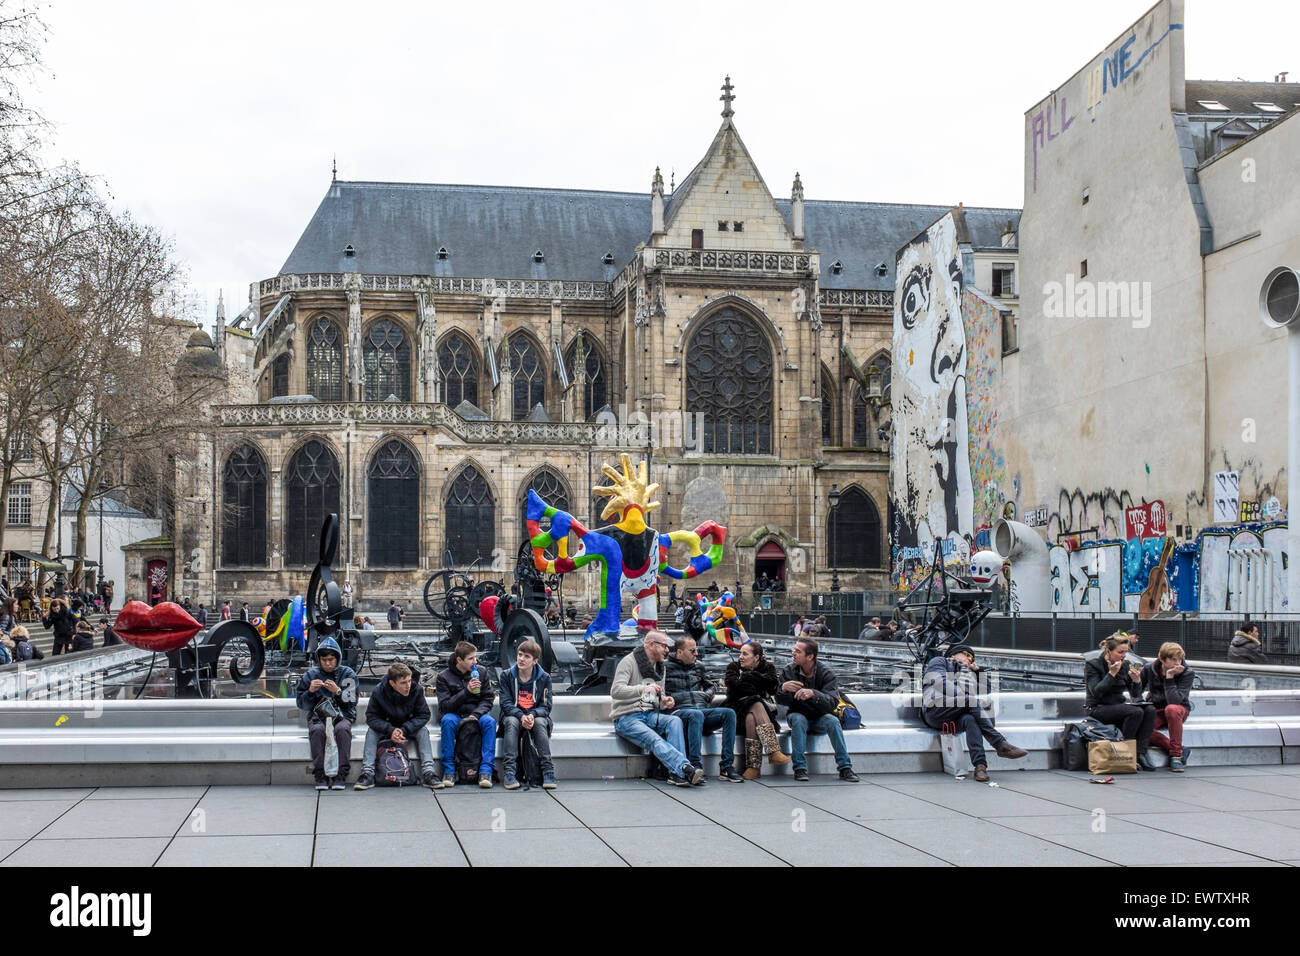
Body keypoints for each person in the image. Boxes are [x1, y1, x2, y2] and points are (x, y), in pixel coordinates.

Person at [921, 643, 1027, 781]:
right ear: (953, 654)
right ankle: (1000, 743)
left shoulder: (967, 675)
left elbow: (986, 689)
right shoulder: (939, 662)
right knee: (970, 701)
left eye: (971, 659)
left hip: (954, 716)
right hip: (934, 710)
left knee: (970, 720)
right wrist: (963, 695)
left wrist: (978, 672)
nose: (969, 660)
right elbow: (939, 682)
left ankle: (980, 767)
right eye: (966, 655)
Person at [610, 630, 704, 786]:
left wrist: (664, 701)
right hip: (626, 717)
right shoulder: (628, 662)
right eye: (664, 646)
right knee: (654, 739)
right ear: (651, 645)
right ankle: (684, 769)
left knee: (674, 721)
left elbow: (656, 698)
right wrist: (643, 689)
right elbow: (616, 691)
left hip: (649, 714)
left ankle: (677, 773)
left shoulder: (660, 667)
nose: (667, 650)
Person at [777, 637, 860, 782]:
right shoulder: (788, 671)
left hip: (819, 717)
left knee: (833, 721)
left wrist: (814, 694)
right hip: (797, 714)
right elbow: (780, 700)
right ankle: (800, 768)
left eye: (798, 651)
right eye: (794, 650)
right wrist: (783, 689)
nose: (793, 653)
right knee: (798, 719)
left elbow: (832, 703)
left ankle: (845, 768)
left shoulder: (826, 673)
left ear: (810, 656)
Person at [665, 635, 743, 782]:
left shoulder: (699, 666)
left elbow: (710, 686)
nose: (696, 654)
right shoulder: (664, 667)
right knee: (696, 715)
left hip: (700, 710)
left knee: (729, 713)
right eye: (692, 651)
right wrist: (674, 698)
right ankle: (695, 766)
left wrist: (706, 696)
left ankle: (726, 766)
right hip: (679, 713)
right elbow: (659, 692)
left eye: (696, 650)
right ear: (679, 652)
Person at [354, 661, 439, 790]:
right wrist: (390, 730)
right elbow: (371, 717)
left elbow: (424, 715)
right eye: (403, 683)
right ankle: (367, 774)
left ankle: (429, 773)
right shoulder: (379, 691)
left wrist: (404, 729)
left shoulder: (417, 690)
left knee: (423, 731)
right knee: (371, 732)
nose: (408, 686)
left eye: (409, 681)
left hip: (408, 727)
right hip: (387, 727)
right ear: (392, 683)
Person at [1085, 632, 1157, 771]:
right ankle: (1126, 752)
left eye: (1126, 652)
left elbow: (1135, 694)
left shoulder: (1125, 665)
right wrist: (1111, 674)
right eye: (1120, 652)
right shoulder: (1093, 665)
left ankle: (1141, 753)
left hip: (1118, 707)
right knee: (1135, 712)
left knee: (1150, 710)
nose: (1124, 655)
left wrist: (1137, 681)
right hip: (1097, 708)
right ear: (1108, 651)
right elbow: (1096, 692)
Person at [295, 636, 358, 789]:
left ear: (337, 659)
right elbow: (301, 704)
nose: (328, 663)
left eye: (331, 659)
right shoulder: (310, 675)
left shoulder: (347, 674)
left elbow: (352, 702)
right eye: (324, 660)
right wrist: (310, 691)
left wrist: (337, 692)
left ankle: (341, 775)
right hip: (319, 716)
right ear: (319, 660)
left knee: (342, 730)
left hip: (342, 715)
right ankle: (320, 775)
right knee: (317, 731)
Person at [497, 639, 557, 790]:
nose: (521, 659)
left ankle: (548, 771)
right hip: (514, 717)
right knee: (511, 721)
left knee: (539, 722)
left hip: (535, 717)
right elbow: (505, 704)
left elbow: (546, 706)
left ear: (535, 661)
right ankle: (510, 772)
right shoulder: (506, 676)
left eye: (526, 656)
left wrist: (531, 715)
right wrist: (521, 716)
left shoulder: (545, 678)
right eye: (520, 654)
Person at [435, 641, 496, 788]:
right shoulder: (443, 677)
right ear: (459, 660)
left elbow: (488, 698)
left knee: (490, 722)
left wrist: (476, 714)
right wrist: (466, 692)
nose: (475, 661)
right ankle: (449, 771)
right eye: (471, 659)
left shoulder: (481, 672)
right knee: (447, 721)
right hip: (455, 714)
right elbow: (444, 707)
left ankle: (485, 772)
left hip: (476, 714)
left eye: (475, 658)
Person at [723, 640, 788, 779]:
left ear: (756, 657)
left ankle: (753, 768)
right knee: (755, 701)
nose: (740, 657)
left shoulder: (768, 668)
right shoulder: (733, 667)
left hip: (758, 715)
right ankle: (773, 751)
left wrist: (749, 677)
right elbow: (734, 688)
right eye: (740, 653)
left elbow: (772, 686)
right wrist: (755, 684)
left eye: (745, 654)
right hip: (736, 711)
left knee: (752, 716)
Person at [1142, 642, 1194, 772]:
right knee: (1141, 727)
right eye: (1173, 659)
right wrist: (1135, 680)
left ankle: (1176, 756)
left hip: (1179, 709)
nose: (1177, 663)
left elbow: (1174, 701)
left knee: (1171, 709)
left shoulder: (1187, 672)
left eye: (1180, 659)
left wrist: (1169, 678)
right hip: (1156, 709)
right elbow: (1136, 692)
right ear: (1162, 659)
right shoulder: (1150, 669)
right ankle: (1180, 749)